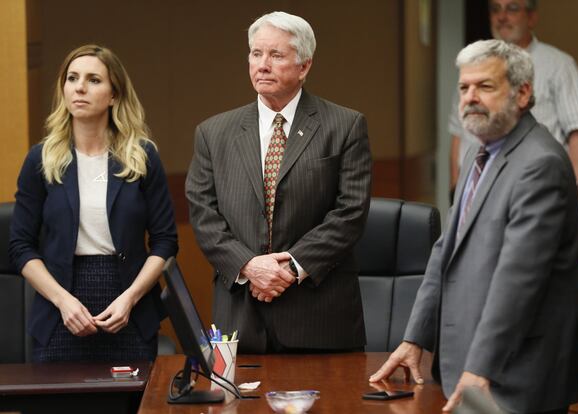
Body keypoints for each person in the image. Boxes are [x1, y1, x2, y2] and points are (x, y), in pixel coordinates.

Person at [370, 39, 578, 414]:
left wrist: (480, 367)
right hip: (476, 369)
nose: (470, 97)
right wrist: (415, 339)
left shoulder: (540, 163)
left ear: (523, 94)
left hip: (517, 376)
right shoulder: (483, 151)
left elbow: (519, 279)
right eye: (464, 87)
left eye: (485, 86)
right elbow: (447, 251)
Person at [185, 11, 371, 354]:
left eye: (276, 55)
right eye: (256, 54)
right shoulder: (213, 133)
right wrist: (249, 265)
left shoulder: (345, 126)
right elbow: (203, 214)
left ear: (304, 66)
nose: (262, 65)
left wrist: (289, 267)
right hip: (240, 316)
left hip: (319, 318)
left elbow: (350, 213)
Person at [9, 44, 178, 362]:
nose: (80, 87)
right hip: (61, 311)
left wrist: (130, 298)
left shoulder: (142, 158)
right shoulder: (40, 160)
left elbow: (165, 242)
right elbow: (20, 247)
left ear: (114, 94)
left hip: (129, 307)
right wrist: (63, 301)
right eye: (72, 78)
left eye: (93, 80)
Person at [449, 0, 578, 214]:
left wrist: (576, 190)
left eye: (512, 8)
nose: (502, 16)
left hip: (535, 191)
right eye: (495, 9)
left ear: (532, 17)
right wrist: (456, 193)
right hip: (475, 193)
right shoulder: (474, 66)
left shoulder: (559, 65)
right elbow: (458, 135)